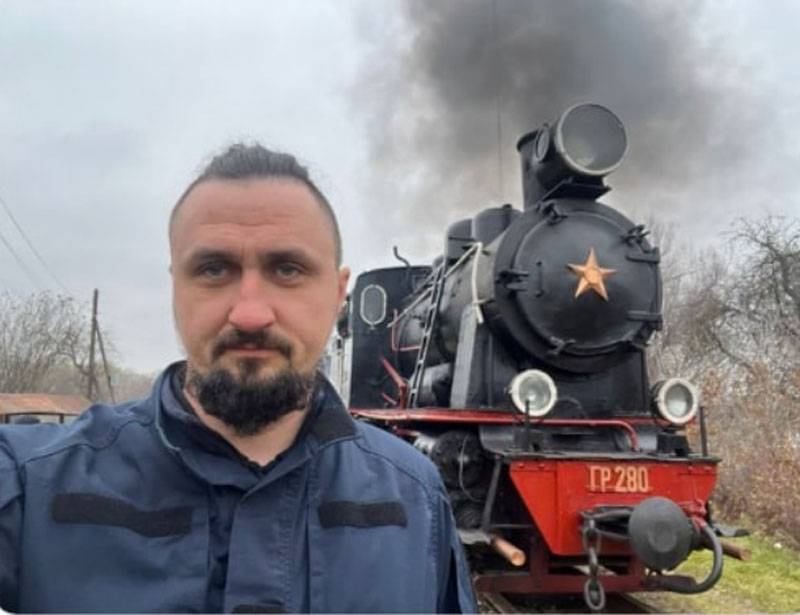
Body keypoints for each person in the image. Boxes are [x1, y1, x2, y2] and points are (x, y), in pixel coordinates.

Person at [0, 145, 477, 613]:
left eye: (287, 269)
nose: (250, 314)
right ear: (175, 287)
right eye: (213, 269)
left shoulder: (417, 496)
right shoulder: (27, 485)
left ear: (338, 294)